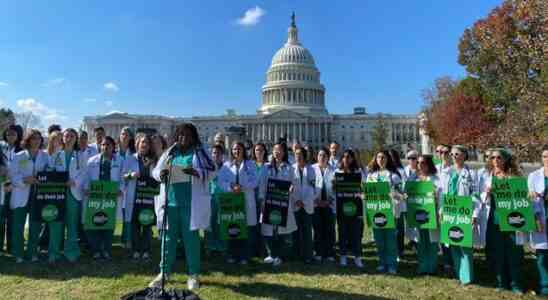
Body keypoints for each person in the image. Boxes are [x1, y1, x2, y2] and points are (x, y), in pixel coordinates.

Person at [149, 123, 216, 290]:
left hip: (190, 204)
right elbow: (156, 172)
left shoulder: (199, 152)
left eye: (187, 135)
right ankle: (164, 272)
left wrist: (197, 172)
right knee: (168, 239)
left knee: (191, 240)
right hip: (170, 202)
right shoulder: (170, 152)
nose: (183, 138)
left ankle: (193, 274)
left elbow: (213, 170)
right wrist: (161, 174)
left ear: (193, 136)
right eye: (180, 134)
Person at [481, 148, 524, 293]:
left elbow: (521, 199)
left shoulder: (514, 178)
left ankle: (516, 284)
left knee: (514, 252)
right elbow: (480, 198)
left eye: (499, 157)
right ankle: (501, 283)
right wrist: (486, 193)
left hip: (512, 220)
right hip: (494, 220)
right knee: (497, 252)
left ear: (505, 160)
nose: (495, 160)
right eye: (492, 158)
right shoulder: (487, 177)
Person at [439, 145, 480, 286]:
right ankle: (458, 273)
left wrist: (474, 214)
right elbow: (442, 194)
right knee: (453, 242)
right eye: (452, 154)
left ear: (464, 155)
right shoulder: (446, 172)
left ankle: (467, 277)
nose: (453, 156)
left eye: (457, 154)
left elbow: (475, 196)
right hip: (450, 211)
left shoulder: (472, 173)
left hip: (464, 212)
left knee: (465, 244)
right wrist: (441, 211)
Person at [8, 129, 49, 263]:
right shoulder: (19, 156)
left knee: (35, 226)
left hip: (38, 196)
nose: (36, 141)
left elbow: (49, 173)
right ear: (28, 140)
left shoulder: (45, 156)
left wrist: (43, 178)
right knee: (18, 226)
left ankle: (32, 253)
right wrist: (25, 180)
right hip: (21, 194)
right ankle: (18, 254)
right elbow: (12, 175)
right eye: (33, 138)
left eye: (38, 138)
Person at [48, 128, 86, 263]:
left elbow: (83, 174)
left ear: (76, 139)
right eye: (66, 136)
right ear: (62, 138)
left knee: (72, 224)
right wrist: (59, 180)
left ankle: (71, 252)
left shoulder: (81, 155)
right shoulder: (56, 155)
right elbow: (50, 171)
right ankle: (54, 253)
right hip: (58, 194)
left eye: (72, 136)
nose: (69, 138)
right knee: (56, 223)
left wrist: (74, 182)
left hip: (73, 194)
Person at [83, 136, 124, 261]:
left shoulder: (120, 161)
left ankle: (106, 250)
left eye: (108, 145)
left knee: (108, 224)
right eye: (103, 145)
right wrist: (86, 188)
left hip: (111, 197)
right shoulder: (92, 161)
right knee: (93, 223)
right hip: (95, 197)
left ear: (113, 147)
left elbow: (122, 177)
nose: (106, 147)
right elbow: (87, 178)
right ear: (100, 146)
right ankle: (96, 250)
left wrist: (121, 189)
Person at [218, 141, 258, 264]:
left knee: (245, 230)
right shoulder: (226, 165)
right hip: (232, 201)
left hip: (245, 198)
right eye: (234, 149)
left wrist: (242, 186)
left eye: (239, 149)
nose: (237, 151)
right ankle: (232, 255)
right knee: (232, 228)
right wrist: (231, 187)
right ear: (231, 151)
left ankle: (244, 256)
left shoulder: (250, 164)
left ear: (243, 151)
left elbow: (255, 181)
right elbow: (221, 182)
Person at [366, 150, 403, 274]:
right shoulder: (371, 176)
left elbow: (402, 195)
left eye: (383, 157)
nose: (381, 160)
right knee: (379, 240)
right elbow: (368, 192)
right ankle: (382, 263)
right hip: (376, 211)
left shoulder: (394, 175)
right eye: (379, 157)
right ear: (375, 159)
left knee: (390, 240)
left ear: (388, 159)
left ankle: (392, 264)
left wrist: (394, 194)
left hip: (390, 212)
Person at [259, 142, 296, 267]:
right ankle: (271, 254)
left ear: (284, 152)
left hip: (283, 203)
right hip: (270, 202)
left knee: (281, 232)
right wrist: (262, 201)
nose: (277, 152)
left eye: (279, 150)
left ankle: (280, 256)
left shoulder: (289, 168)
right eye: (275, 150)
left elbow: (293, 183)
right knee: (269, 231)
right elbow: (262, 185)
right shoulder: (266, 167)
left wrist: (291, 188)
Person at [408, 154, 441, 275]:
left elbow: (440, 195)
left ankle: (431, 267)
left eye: (423, 163)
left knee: (432, 241)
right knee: (420, 241)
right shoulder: (413, 178)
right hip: (417, 213)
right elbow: (407, 192)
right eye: (418, 163)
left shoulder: (435, 179)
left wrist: (435, 195)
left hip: (431, 214)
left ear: (429, 165)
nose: (420, 165)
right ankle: (422, 266)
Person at [336, 149, 366, 269]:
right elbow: (334, 189)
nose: (346, 159)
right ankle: (343, 255)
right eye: (344, 157)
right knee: (342, 232)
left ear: (353, 159)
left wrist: (362, 191)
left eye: (349, 157)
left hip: (356, 206)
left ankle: (357, 257)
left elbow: (364, 187)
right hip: (342, 205)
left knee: (356, 233)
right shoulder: (337, 172)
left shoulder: (359, 172)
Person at [129, 135, 156, 260]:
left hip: (148, 197)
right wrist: (131, 175)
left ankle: (146, 250)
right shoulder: (130, 159)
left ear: (149, 146)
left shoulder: (153, 160)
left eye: (146, 142)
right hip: (135, 196)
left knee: (147, 223)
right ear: (137, 144)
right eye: (142, 142)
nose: (144, 144)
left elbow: (157, 177)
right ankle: (135, 249)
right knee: (135, 224)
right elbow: (123, 175)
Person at [291, 147, 317, 264]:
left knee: (307, 231)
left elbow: (313, 188)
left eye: (301, 154)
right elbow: (289, 187)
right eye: (296, 154)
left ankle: (308, 255)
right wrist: (296, 200)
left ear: (305, 156)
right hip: (295, 204)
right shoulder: (291, 169)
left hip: (307, 205)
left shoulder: (311, 169)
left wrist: (304, 202)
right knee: (295, 231)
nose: (298, 156)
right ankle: (296, 255)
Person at [0, 124, 23, 253]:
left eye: (13, 134)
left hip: (16, 189)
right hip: (1, 188)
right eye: (8, 134)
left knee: (13, 219)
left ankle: (11, 247)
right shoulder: (0, 148)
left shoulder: (22, 151)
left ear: (18, 135)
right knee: (1, 218)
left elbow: (23, 170)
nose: (10, 136)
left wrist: (12, 184)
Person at [529, 146, 548, 295]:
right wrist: (536, 219)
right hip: (541, 217)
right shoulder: (534, 176)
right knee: (541, 255)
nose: (547, 159)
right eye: (544, 156)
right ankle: (544, 287)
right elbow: (531, 200)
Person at [312, 147, 336, 263]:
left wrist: (329, 201)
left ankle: (330, 253)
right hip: (315, 204)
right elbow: (309, 187)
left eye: (324, 155)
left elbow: (336, 189)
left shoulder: (334, 170)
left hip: (329, 204)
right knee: (318, 230)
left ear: (328, 157)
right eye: (320, 155)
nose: (322, 157)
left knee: (329, 229)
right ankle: (318, 252)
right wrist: (315, 200)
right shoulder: (312, 169)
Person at [118, 127, 137, 249]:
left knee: (128, 215)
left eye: (127, 134)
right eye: (122, 134)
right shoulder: (114, 151)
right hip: (114, 187)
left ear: (130, 137)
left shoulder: (133, 154)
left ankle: (127, 239)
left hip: (128, 187)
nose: (124, 136)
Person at [435, 144, 453, 272]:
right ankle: (447, 262)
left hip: (452, 206)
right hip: (439, 206)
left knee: (453, 233)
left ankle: (454, 261)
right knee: (442, 236)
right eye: (440, 152)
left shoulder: (455, 169)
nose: (443, 155)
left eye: (446, 152)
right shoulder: (436, 169)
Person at [205, 144, 226, 254]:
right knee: (209, 223)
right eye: (214, 153)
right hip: (210, 198)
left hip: (222, 198)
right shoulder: (208, 168)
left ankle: (221, 246)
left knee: (221, 223)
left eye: (218, 153)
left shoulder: (226, 167)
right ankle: (210, 246)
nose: (216, 155)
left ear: (222, 155)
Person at [389, 149, 408, 260]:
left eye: (392, 157)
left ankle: (399, 251)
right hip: (387, 204)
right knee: (390, 229)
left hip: (399, 203)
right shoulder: (386, 171)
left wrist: (401, 195)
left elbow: (404, 187)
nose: (390, 159)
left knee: (399, 229)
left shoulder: (401, 171)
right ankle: (391, 250)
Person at [251, 142, 268, 257]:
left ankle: (263, 250)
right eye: (257, 150)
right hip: (251, 198)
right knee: (252, 225)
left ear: (265, 152)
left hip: (263, 199)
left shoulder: (268, 166)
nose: (259, 152)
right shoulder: (250, 165)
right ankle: (253, 249)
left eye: (261, 150)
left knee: (263, 225)